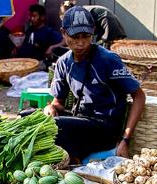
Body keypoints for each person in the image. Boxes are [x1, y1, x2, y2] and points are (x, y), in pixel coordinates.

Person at [44, 6, 145, 160]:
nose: (80, 43)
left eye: (85, 36)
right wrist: (50, 107)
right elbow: (58, 103)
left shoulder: (108, 60)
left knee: (56, 126)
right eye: (75, 36)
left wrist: (125, 139)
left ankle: (74, 160)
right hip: (81, 120)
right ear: (64, 33)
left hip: (105, 128)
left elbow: (139, 96)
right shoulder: (63, 63)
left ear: (92, 32)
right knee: (26, 117)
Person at [47, 2, 127, 59]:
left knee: (104, 53)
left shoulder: (80, 14)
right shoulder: (80, 12)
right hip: (107, 24)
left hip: (108, 25)